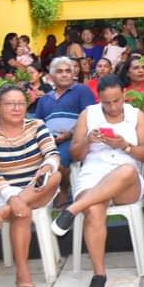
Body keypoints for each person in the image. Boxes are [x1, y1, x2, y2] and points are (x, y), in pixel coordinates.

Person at [51, 74, 144, 287]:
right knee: (94, 209)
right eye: (106, 102)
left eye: (116, 100)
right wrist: (88, 141)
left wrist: (124, 146)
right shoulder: (88, 115)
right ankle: (99, 274)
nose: (112, 106)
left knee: (126, 170)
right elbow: (74, 154)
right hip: (93, 175)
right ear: (99, 99)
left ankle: (71, 210)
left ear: (124, 94)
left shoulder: (137, 116)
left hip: (127, 183)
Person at [0, 85, 63, 287]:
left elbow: (52, 153)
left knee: (56, 175)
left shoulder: (37, 125)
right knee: (21, 211)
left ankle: (3, 213)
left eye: (21, 103)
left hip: (37, 187)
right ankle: (23, 275)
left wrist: (47, 166)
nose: (17, 108)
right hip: (2, 191)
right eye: (10, 104)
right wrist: (11, 198)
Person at [32, 57, 96, 197]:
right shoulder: (45, 99)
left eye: (68, 71)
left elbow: (91, 116)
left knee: (58, 162)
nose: (65, 74)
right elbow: (37, 124)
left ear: (73, 74)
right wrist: (46, 139)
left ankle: (64, 192)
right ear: (51, 76)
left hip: (73, 139)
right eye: (60, 71)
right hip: (48, 141)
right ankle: (35, 197)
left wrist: (69, 134)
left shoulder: (81, 90)